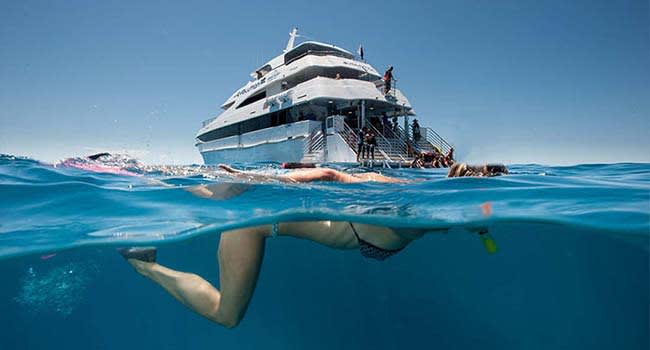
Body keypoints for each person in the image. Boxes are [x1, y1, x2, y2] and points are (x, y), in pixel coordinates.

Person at [119, 162, 506, 328]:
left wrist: (478, 223)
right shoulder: (411, 204)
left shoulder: (438, 213)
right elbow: (329, 173)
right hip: (251, 225)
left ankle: (158, 191)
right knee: (227, 315)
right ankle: (144, 261)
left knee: (220, 198)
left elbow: (477, 215)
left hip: (267, 216)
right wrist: (252, 179)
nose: (477, 219)